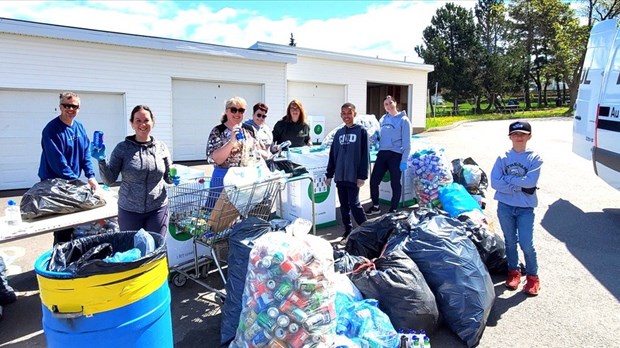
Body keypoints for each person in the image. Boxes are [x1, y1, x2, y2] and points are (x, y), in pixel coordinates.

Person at [96, 105, 174, 236]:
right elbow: (109, 180)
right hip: (129, 210)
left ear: (152, 122)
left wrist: (174, 177)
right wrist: (101, 160)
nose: (143, 124)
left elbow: (168, 177)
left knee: (157, 248)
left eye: (146, 120)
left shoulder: (161, 147)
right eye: (138, 120)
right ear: (132, 124)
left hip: (158, 208)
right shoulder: (122, 148)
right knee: (132, 251)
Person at [38, 92, 99, 245]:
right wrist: (77, 182)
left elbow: (85, 153)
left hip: (72, 182)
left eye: (75, 106)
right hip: (54, 183)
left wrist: (90, 176)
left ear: (79, 108)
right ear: (60, 107)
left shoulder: (79, 127)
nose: (70, 109)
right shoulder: (51, 130)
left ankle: (72, 254)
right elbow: (58, 162)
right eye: (67, 105)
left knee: (75, 222)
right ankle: (59, 258)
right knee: (63, 226)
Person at [490, 120, 543, 296]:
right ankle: (514, 272)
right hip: (505, 206)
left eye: (522, 134)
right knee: (510, 242)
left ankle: (533, 277)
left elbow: (530, 182)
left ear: (529, 136)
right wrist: (518, 185)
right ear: (510, 137)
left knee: (526, 243)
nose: (518, 137)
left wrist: (508, 179)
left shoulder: (534, 158)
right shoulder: (502, 157)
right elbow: (495, 183)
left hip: (525, 208)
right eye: (515, 134)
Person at [326, 103, 369, 245]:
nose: (346, 116)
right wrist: (329, 173)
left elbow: (364, 155)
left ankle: (367, 230)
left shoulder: (361, 131)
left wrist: (362, 176)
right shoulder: (338, 133)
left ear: (354, 114)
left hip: (353, 176)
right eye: (343, 113)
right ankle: (348, 231)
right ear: (340, 115)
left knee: (355, 204)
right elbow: (333, 155)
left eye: (349, 113)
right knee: (344, 205)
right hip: (340, 176)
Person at [206, 96, 256, 208]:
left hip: (243, 180)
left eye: (241, 110)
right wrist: (232, 140)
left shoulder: (249, 130)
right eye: (234, 110)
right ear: (226, 111)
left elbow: (254, 155)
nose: (237, 113)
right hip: (223, 178)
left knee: (241, 215)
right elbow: (217, 159)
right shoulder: (218, 131)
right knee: (217, 218)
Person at [366, 95, 411, 215]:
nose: (389, 105)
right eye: (386, 104)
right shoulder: (382, 120)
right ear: (384, 107)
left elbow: (407, 142)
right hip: (382, 154)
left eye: (391, 103)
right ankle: (376, 206)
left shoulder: (404, 120)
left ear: (395, 103)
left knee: (395, 183)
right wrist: (372, 139)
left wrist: (404, 160)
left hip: (395, 155)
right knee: (374, 181)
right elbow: (379, 137)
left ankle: (394, 209)